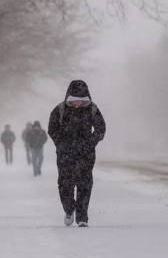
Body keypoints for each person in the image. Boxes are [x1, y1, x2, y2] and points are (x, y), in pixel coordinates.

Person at [48, 80, 106, 227]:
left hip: (85, 154)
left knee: (84, 185)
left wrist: (90, 143)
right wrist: (61, 143)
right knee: (65, 184)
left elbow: (100, 129)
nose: (77, 104)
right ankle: (69, 208)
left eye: (80, 101)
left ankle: (82, 217)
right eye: (74, 101)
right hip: (65, 154)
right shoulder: (60, 109)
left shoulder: (92, 109)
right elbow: (52, 128)